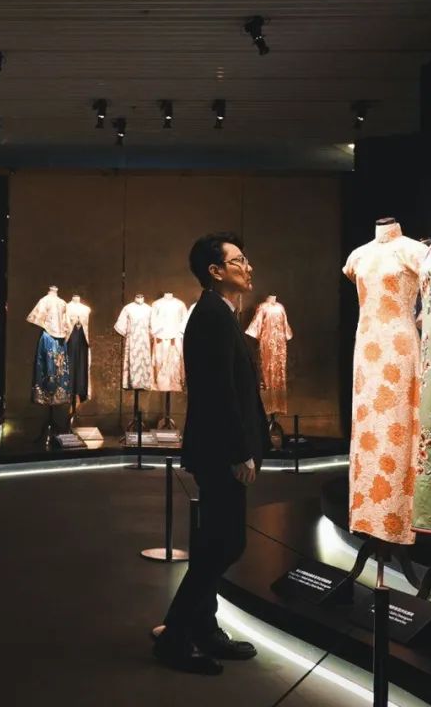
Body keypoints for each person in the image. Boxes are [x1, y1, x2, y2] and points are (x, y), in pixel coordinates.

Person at [153, 232, 267, 674]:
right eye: (238, 261)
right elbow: (219, 392)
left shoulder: (219, 312)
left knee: (214, 543)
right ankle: (176, 635)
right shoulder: (212, 315)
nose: (248, 267)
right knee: (226, 543)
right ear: (215, 271)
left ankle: (202, 628)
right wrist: (240, 451)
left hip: (219, 447)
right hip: (221, 450)